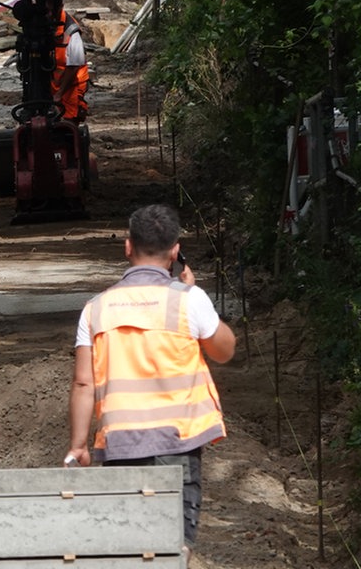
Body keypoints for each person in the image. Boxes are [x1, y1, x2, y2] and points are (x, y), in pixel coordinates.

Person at [65, 205, 236, 545]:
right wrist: (194, 293)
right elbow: (224, 351)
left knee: (129, 542)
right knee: (175, 542)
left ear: (128, 246)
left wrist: (78, 444)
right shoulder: (189, 300)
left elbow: (84, 383)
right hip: (178, 442)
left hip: (121, 444)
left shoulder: (96, 308)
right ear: (175, 251)